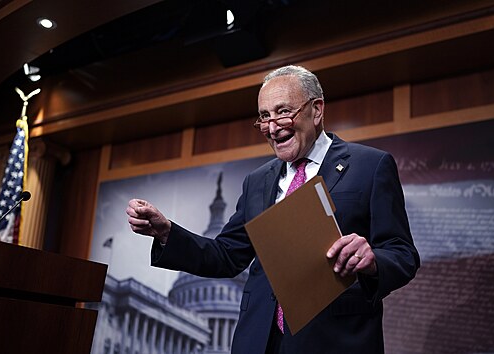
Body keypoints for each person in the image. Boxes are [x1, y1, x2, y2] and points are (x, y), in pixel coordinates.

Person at [126, 65, 419, 354]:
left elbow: (402, 253)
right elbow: (226, 255)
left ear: (316, 110)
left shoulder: (369, 166)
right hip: (261, 342)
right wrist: (166, 233)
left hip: (334, 339)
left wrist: (372, 259)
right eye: (264, 116)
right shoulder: (257, 181)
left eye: (283, 111)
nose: (272, 126)